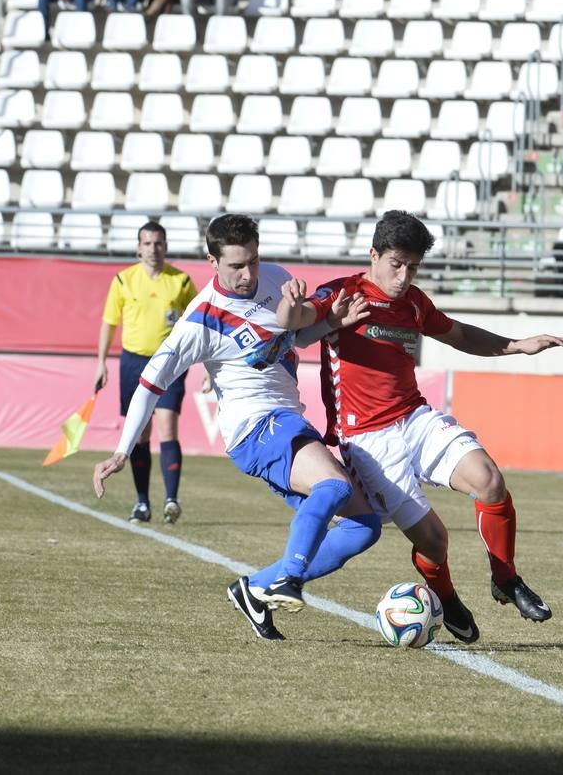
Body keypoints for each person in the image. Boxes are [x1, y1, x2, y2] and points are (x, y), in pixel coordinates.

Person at [279, 211, 563, 643]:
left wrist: (516, 346)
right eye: (396, 264)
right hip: (367, 440)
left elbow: (460, 335)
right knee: (434, 541)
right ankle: (448, 599)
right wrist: (295, 305)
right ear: (373, 255)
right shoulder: (343, 293)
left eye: (412, 267)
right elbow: (298, 321)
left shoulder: (414, 301)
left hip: (414, 417)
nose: (403, 276)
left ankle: (506, 579)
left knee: (489, 480)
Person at [92, 215, 382, 642]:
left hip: (287, 419)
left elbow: (294, 337)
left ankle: (256, 588)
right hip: (255, 427)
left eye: (253, 261)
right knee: (334, 488)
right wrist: (121, 449)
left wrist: (332, 323)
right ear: (212, 261)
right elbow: (148, 385)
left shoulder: (275, 278)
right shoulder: (199, 322)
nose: (248, 275)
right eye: (236, 267)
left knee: (363, 526)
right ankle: (289, 581)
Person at [96, 222, 197, 526]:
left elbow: (198, 323)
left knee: (167, 425)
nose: (153, 249)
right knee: (140, 432)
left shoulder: (180, 282)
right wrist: (101, 362)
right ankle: (142, 503)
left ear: (165, 246)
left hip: (169, 362)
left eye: (158, 243)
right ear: (138, 247)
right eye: (147, 243)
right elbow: (109, 323)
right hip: (133, 362)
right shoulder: (123, 280)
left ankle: (171, 500)